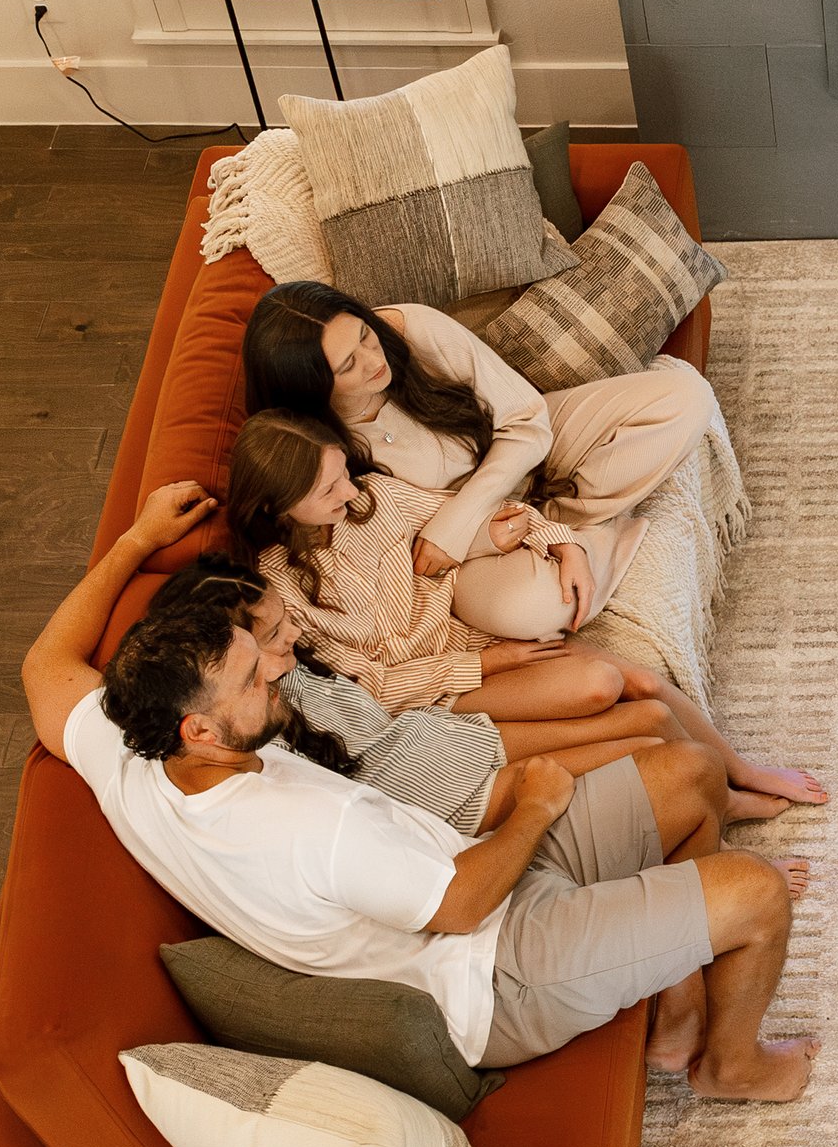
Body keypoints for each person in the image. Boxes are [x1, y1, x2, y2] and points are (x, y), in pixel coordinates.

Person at [24, 479, 820, 1099]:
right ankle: (733, 1068)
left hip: (477, 871)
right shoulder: (304, 824)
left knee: (690, 772)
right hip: (495, 973)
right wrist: (537, 803)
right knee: (755, 893)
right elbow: (464, 906)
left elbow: (43, 666)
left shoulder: (130, 750)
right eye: (252, 672)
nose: (279, 668)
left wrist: (134, 542)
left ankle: (675, 999)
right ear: (199, 728)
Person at [240, 280, 713, 652]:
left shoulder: (416, 330)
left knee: (685, 398)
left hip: (521, 458)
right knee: (536, 608)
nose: (372, 358)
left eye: (365, 333)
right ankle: (579, 531)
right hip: (466, 552)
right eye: (347, 365)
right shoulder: (310, 446)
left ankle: (564, 531)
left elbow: (527, 423)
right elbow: (397, 548)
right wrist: (474, 531)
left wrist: (466, 517)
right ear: (310, 385)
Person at [153, 555, 677, 832]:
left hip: (450, 741)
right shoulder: (253, 724)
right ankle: (713, 808)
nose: (291, 634)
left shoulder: (292, 670)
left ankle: (723, 795)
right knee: (654, 749)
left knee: (650, 715)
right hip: (455, 796)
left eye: (286, 619)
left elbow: (384, 706)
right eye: (270, 636)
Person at [225, 405, 660, 728]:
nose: (347, 490)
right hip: (438, 689)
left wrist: (565, 546)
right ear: (273, 505)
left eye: (343, 473)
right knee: (601, 686)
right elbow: (370, 685)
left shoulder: (376, 496)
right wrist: (487, 664)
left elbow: (479, 513)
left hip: (474, 634)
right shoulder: (279, 592)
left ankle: (731, 782)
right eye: (328, 489)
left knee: (646, 685)